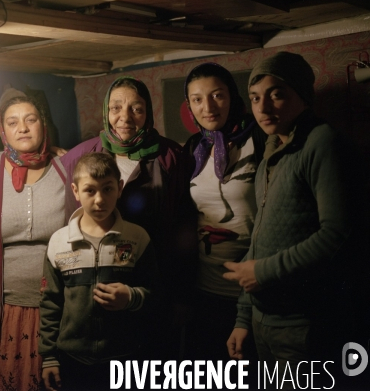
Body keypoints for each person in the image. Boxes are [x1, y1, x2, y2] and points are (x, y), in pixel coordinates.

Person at [224, 52, 365, 381]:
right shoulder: (273, 149)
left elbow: (339, 234)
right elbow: (260, 239)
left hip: (305, 322)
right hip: (264, 320)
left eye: (277, 94)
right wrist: (244, 318)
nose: (263, 107)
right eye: (255, 98)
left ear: (302, 95)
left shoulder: (323, 143)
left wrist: (264, 271)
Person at [60, 76, 195, 359]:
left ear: (148, 113)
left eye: (136, 108)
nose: (125, 117)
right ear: (106, 111)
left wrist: (182, 295)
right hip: (100, 281)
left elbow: (184, 227)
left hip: (156, 281)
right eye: (116, 107)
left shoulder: (171, 156)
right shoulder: (81, 156)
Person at [0, 95, 67, 391]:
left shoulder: (65, 167)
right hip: (1, 307)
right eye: (13, 122)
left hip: (55, 306)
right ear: (3, 131)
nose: (22, 127)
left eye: (30, 119)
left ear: (43, 126)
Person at [40, 152, 158, 391]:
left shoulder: (137, 238)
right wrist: (49, 356)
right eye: (90, 190)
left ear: (120, 187)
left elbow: (156, 294)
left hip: (124, 358)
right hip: (72, 360)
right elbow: (50, 304)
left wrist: (130, 297)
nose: (99, 200)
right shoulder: (59, 242)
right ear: (75, 191)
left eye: (107, 189)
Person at [182, 63, 265, 361]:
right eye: (197, 99)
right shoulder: (193, 148)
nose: (208, 107)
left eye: (217, 95)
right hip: (205, 288)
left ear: (232, 96)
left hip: (252, 289)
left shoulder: (260, 141)